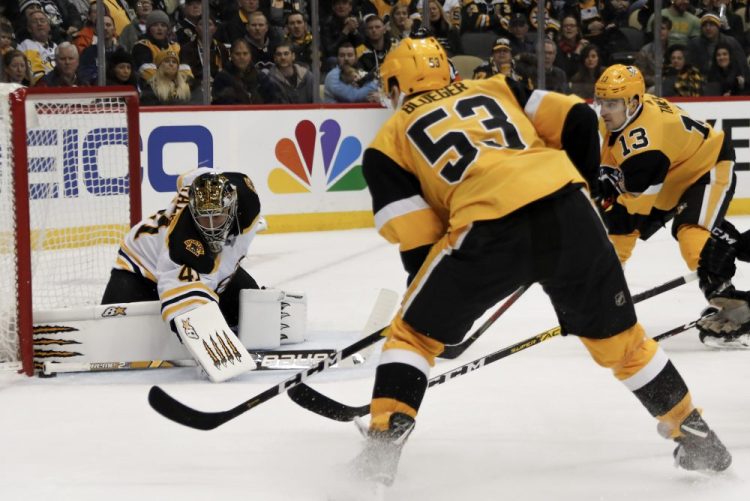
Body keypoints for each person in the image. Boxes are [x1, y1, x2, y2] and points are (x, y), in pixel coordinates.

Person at [353, 36, 731, 489]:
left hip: (487, 228)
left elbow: (417, 236)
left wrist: (439, 313)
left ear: (395, 84)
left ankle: (383, 443)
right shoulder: (497, 87)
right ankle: (695, 432)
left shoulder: (386, 142)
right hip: (571, 210)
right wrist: (585, 187)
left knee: (412, 335)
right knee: (623, 343)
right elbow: (576, 117)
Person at [594, 64, 746, 349]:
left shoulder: (646, 147)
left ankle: (739, 308)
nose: (603, 110)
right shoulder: (624, 115)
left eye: (611, 103)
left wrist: (608, 282)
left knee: (690, 235)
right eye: (601, 101)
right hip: (671, 175)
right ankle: (730, 247)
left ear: (634, 103)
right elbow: (610, 165)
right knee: (702, 231)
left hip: (706, 168)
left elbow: (627, 221)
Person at [101, 168, 263, 339]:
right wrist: (200, 332)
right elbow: (182, 301)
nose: (211, 226)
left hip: (208, 261)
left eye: (216, 217)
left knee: (252, 306)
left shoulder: (246, 200)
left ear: (231, 208)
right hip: (140, 267)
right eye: (203, 218)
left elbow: (190, 178)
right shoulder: (184, 242)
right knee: (111, 334)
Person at [211, 38, 266, 104]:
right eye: (237, 54)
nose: (242, 57)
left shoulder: (260, 76)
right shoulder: (222, 78)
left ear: (250, 55)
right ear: (231, 55)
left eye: (245, 53)